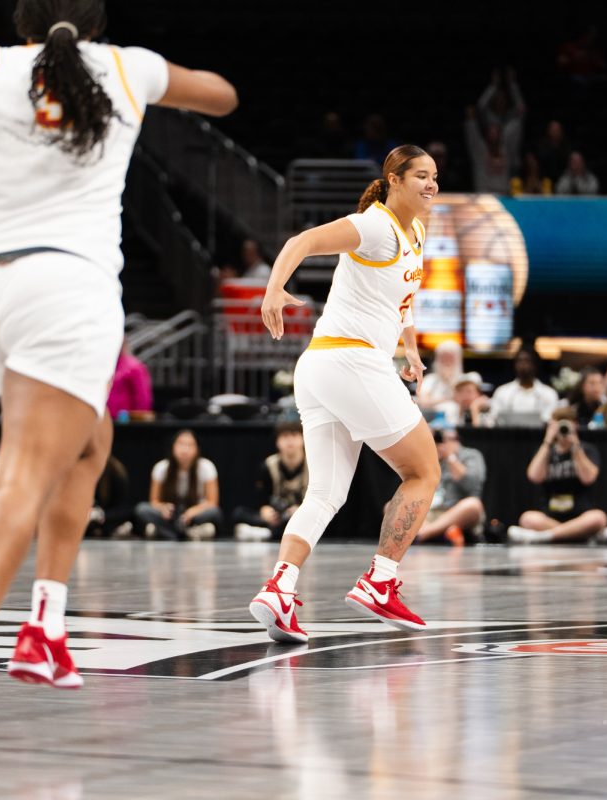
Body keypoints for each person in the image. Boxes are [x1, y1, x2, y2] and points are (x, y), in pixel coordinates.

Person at [0, 0, 237, 759]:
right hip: (63, 291)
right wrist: (155, 91)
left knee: (89, 439)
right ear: (96, 22)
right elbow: (222, 94)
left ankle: (46, 625)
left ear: (22, 22)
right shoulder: (127, 67)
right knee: (26, 473)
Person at [250, 144, 442, 643]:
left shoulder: (416, 232)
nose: (430, 184)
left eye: (435, 176)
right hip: (349, 361)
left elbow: (401, 299)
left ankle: (279, 588)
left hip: (320, 369)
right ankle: (381, 580)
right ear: (394, 179)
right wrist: (273, 288)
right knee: (423, 471)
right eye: (420, 175)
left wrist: (410, 349)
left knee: (326, 493)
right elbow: (301, 241)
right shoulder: (374, 225)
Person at [508, 418, 607, 544]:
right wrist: (547, 441)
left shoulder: (587, 449)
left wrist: (576, 447)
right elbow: (534, 476)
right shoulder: (546, 451)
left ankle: (543, 537)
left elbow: (588, 478)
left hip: (580, 516)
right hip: (551, 517)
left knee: (598, 517)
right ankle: (582, 536)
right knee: (527, 518)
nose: (563, 432)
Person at [134, 429, 223, 540]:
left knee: (215, 513)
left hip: (194, 516)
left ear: (197, 449)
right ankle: (187, 533)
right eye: (181, 444)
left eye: (190, 445)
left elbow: (212, 502)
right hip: (171, 516)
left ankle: (164, 532)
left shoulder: (206, 467)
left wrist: (192, 512)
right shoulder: (161, 468)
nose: (185, 449)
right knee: (142, 509)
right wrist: (163, 508)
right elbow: (154, 501)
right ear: (173, 447)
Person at [234, 421, 309, 542]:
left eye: (294, 436)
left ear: (303, 438)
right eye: (285, 437)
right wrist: (265, 510)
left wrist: (301, 510)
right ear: (277, 442)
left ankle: (265, 533)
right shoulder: (269, 465)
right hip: (278, 515)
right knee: (239, 513)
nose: (290, 441)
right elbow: (262, 496)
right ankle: (268, 531)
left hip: (303, 514)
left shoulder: (312, 464)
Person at [413, 427, 486, 546]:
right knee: (392, 505)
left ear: (456, 439)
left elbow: (472, 486)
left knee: (473, 505)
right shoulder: (431, 457)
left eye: (444, 439)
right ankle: (433, 533)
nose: (441, 444)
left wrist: (450, 457)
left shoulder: (471, 455)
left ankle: (422, 534)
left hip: (454, 513)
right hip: (430, 513)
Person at [489, 348, 558, 426]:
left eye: (527, 361)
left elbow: (549, 421)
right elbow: (493, 420)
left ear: (535, 364)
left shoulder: (549, 393)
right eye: (519, 361)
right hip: (507, 437)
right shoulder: (502, 392)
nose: (523, 365)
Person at [105, 338, 152, 420]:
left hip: (125, 420)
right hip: (107, 417)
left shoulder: (134, 367)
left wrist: (138, 419)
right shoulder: (107, 365)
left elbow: (142, 397)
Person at [416, 339, 462, 411]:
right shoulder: (429, 379)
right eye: (443, 357)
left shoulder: (467, 379)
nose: (447, 361)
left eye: (450, 357)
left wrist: (449, 381)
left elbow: (462, 401)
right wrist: (448, 399)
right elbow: (424, 402)